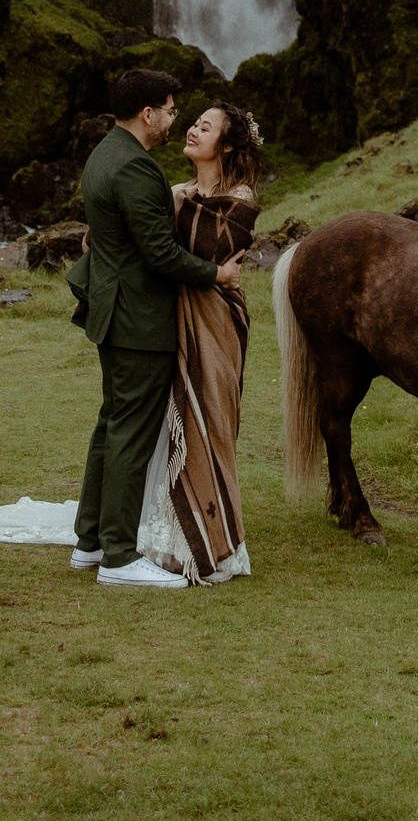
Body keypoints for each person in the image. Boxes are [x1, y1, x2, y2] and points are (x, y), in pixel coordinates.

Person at [68, 69, 243, 587]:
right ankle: (119, 558)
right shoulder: (136, 170)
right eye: (169, 110)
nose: (174, 119)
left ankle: (91, 541)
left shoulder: (106, 154)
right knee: (130, 433)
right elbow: (161, 254)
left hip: (111, 312)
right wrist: (217, 272)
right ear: (148, 114)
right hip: (138, 320)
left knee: (110, 425)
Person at [137, 100, 261, 583]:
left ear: (226, 146)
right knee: (174, 424)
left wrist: (160, 222)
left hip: (219, 325)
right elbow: (157, 246)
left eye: (204, 128)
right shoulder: (176, 193)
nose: (191, 130)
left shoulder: (241, 198)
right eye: (192, 123)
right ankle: (171, 534)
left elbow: (208, 246)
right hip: (177, 321)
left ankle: (219, 542)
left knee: (214, 422)